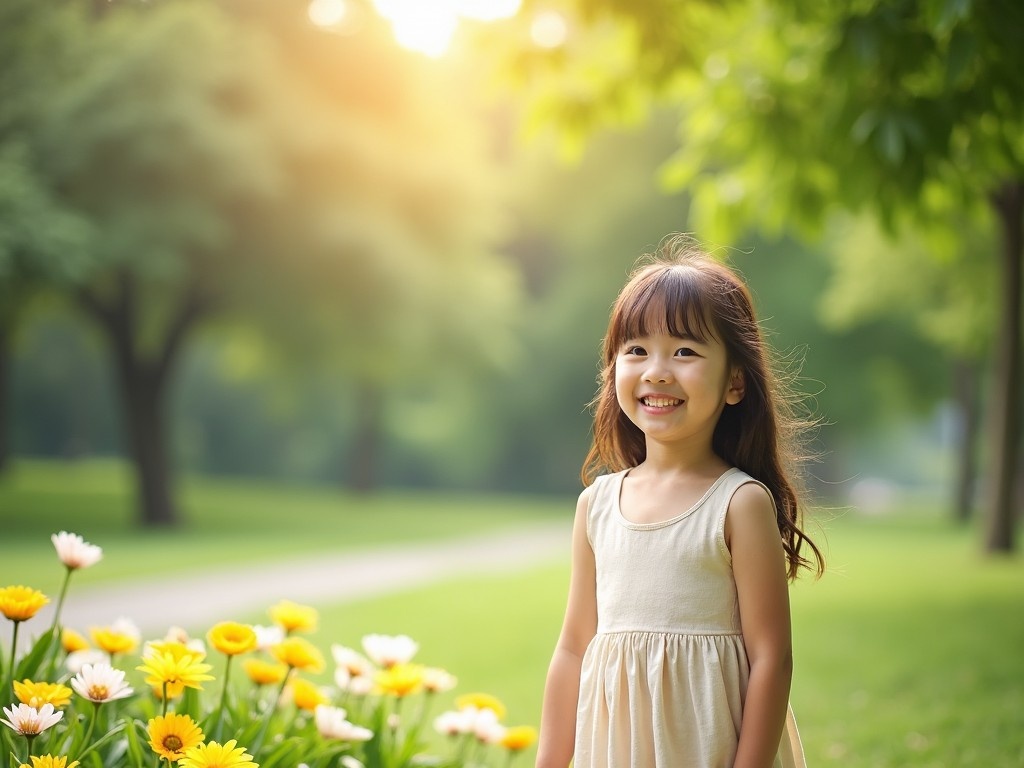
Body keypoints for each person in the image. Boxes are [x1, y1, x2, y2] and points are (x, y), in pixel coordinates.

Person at [535, 234, 825, 768]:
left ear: (735, 382)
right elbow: (574, 648)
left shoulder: (737, 503)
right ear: (614, 371)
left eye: (685, 351)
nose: (657, 371)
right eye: (636, 350)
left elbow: (771, 658)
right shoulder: (597, 506)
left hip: (708, 745)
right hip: (616, 749)